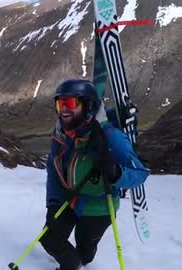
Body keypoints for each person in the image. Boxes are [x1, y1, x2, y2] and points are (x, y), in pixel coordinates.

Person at [40, 79, 148, 270]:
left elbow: (140, 173)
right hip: (69, 200)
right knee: (49, 239)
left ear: (87, 104)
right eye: (60, 103)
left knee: (86, 255)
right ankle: (71, 266)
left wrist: (116, 173)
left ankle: (80, 261)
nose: (64, 109)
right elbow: (53, 170)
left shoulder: (110, 137)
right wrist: (53, 203)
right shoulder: (60, 135)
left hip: (99, 208)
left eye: (70, 103)